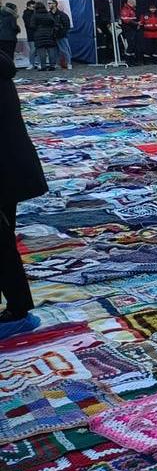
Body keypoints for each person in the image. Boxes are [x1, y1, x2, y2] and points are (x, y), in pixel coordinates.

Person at [0, 51, 47, 339]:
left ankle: (18, 311)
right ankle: (17, 309)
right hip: (11, 168)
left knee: (2, 243)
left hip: (5, 169)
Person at [27, 3, 57, 71]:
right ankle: (52, 65)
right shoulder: (48, 14)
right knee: (51, 50)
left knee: (41, 51)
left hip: (39, 35)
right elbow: (53, 22)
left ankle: (43, 66)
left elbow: (32, 26)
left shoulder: (34, 15)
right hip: (49, 34)